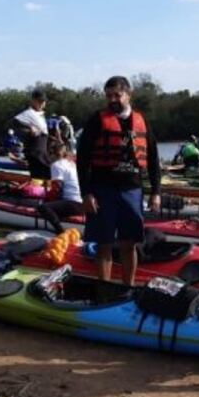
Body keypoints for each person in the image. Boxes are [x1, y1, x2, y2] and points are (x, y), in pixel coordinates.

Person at [76, 75, 161, 286]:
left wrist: (156, 192)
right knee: (104, 244)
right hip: (102, 190)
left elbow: (153, 159)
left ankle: (128, 287)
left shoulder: (142, 121)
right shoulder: (97, 120)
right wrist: (86, 193)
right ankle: (104, 289)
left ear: (128, 94)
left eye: (117, 95)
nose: (112, 100)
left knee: (129, 244)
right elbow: (82, 160)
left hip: (131, 191)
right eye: (108, 96)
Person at [36, 139, 83, 234]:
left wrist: (46, 200)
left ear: (51, 153)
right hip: (82, 204)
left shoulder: (57, 165)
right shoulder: (71, 163)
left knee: (43, 207)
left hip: (73, 204)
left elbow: (57, 189)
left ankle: (60, 231)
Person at [13, 89, 51, 180]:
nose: (42, 103)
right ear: (33, 101)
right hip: (35, 151)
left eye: (43, 101)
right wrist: (29, 130)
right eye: (40, 101)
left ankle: (42, 192)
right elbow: (13, 123)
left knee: (47, 175)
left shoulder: (40, 114)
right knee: (40, 176)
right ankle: (36, 193)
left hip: (42, 151)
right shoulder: (29, 113)